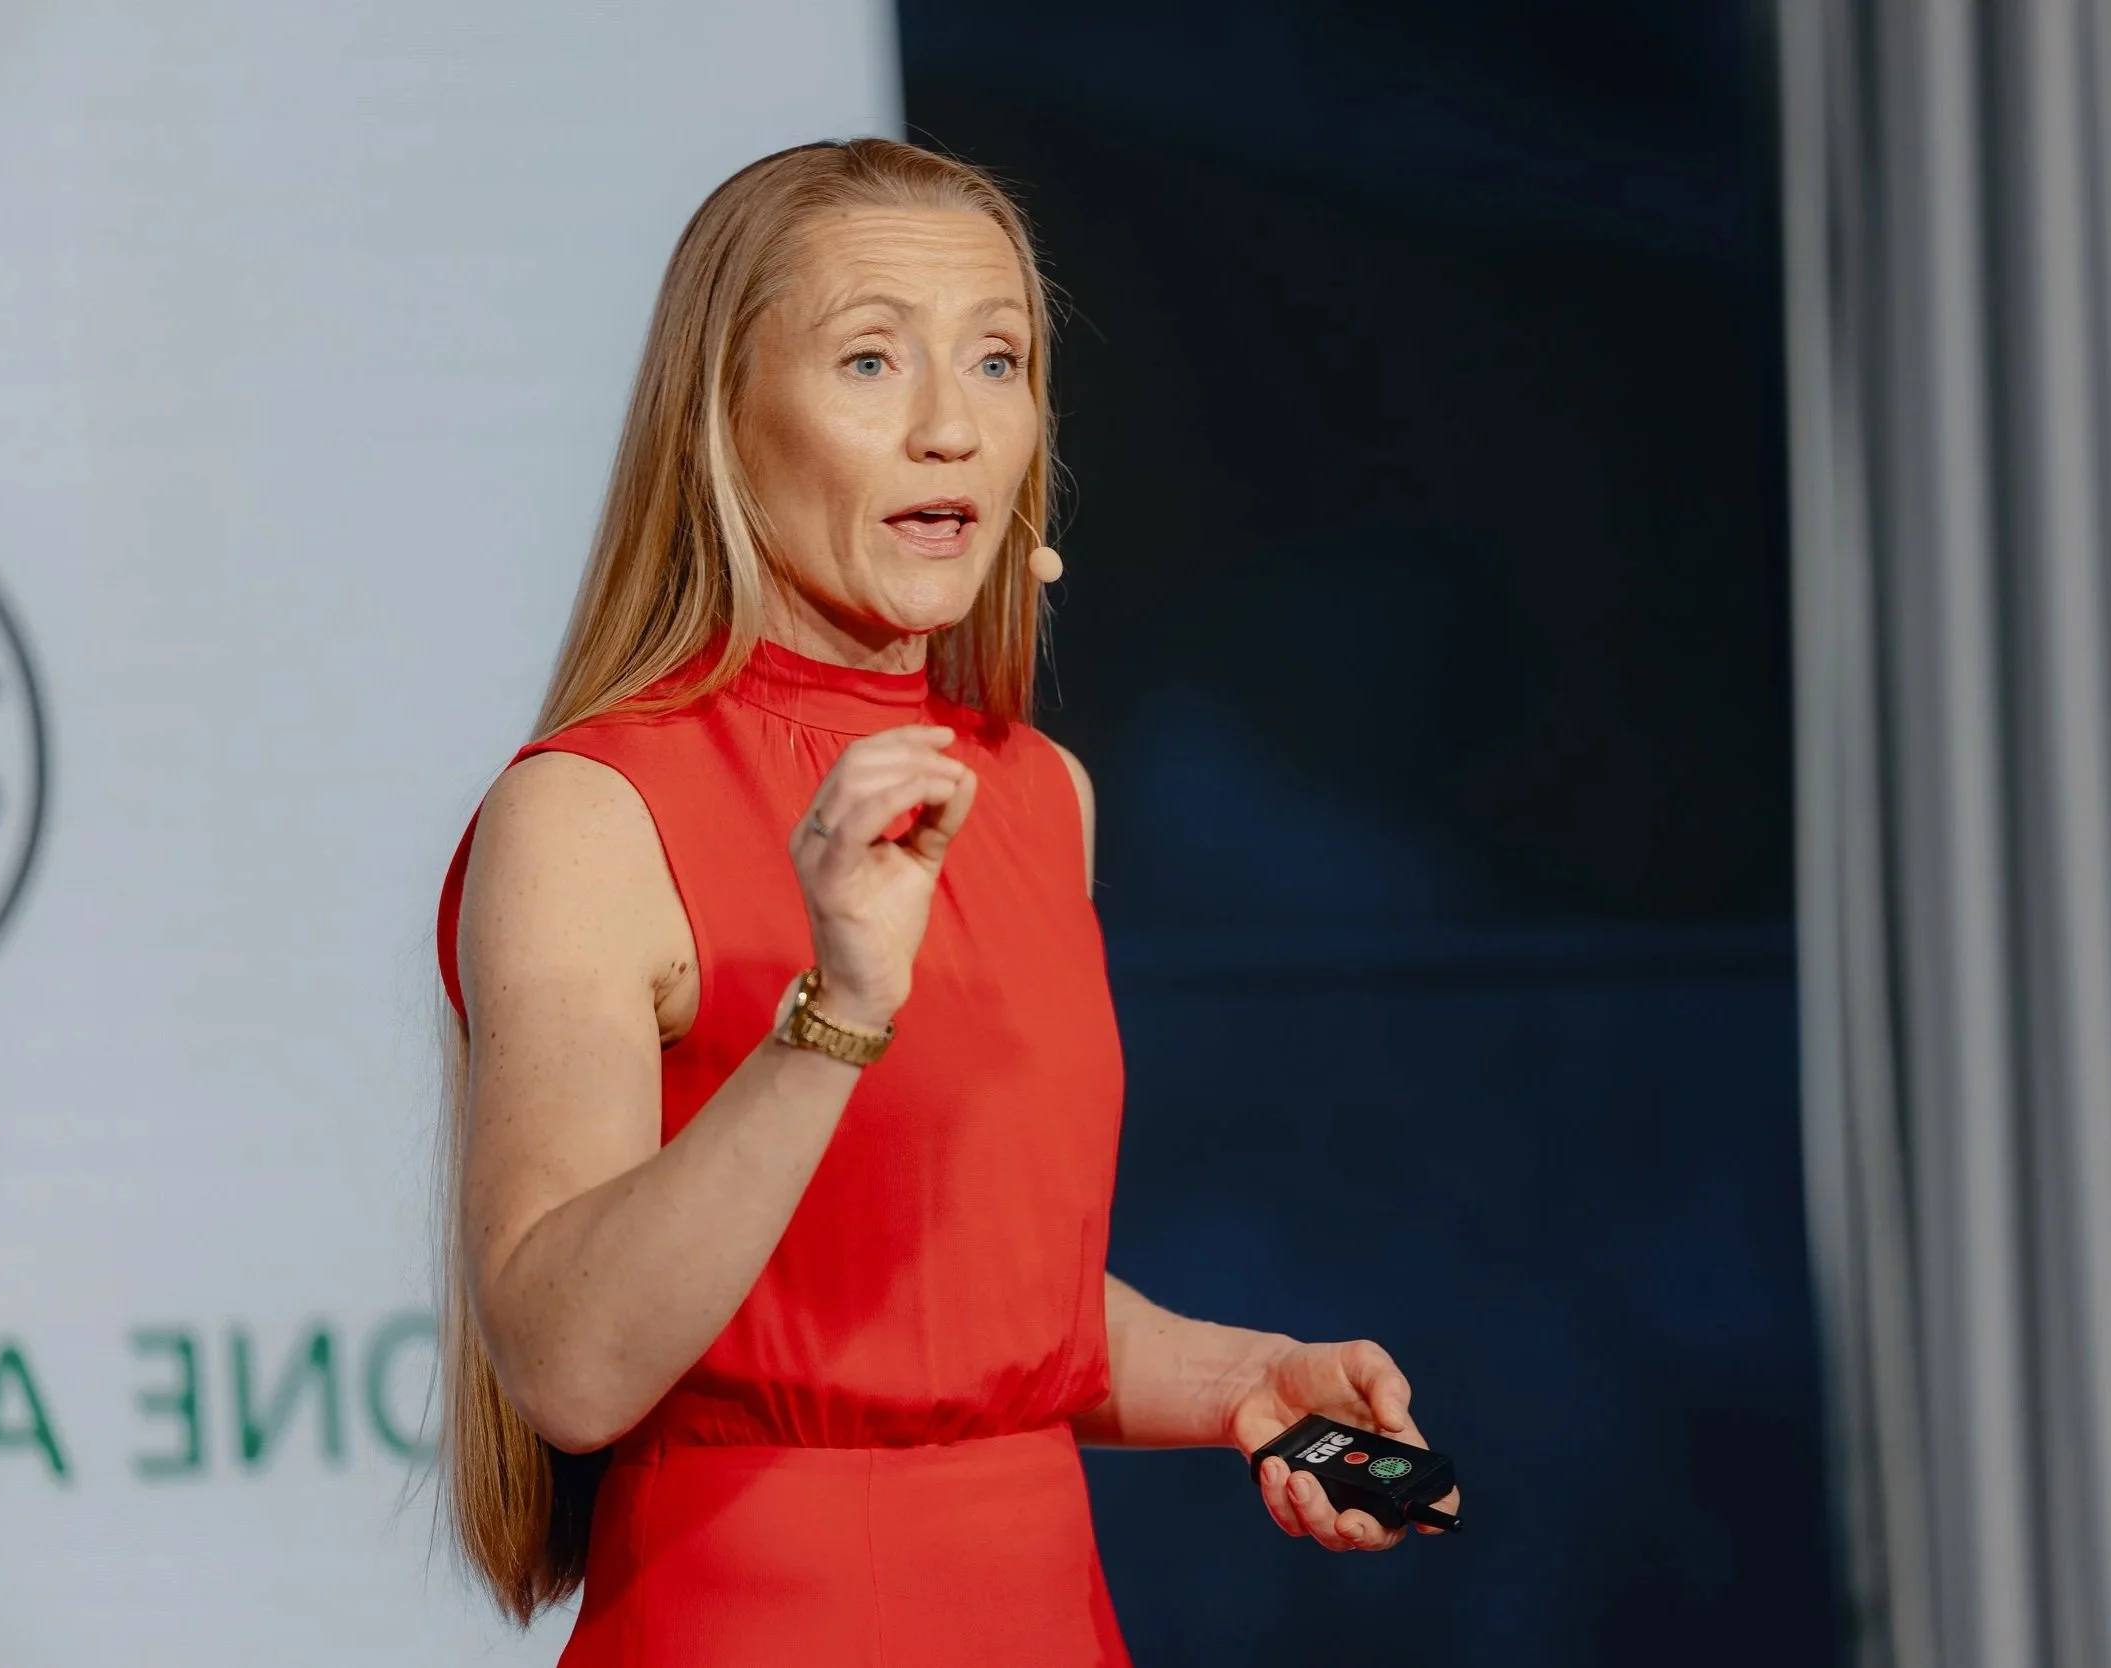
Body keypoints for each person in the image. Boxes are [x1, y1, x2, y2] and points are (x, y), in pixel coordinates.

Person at [434, 137, 1459, 1665]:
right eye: (869, 359)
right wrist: (836, 1011)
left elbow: (963, 1306)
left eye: (998, 359)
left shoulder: (1042, 792)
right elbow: (572, 1367)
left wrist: (1247, 1379)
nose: (949, 428)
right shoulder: (587, 812)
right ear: (723, 422)